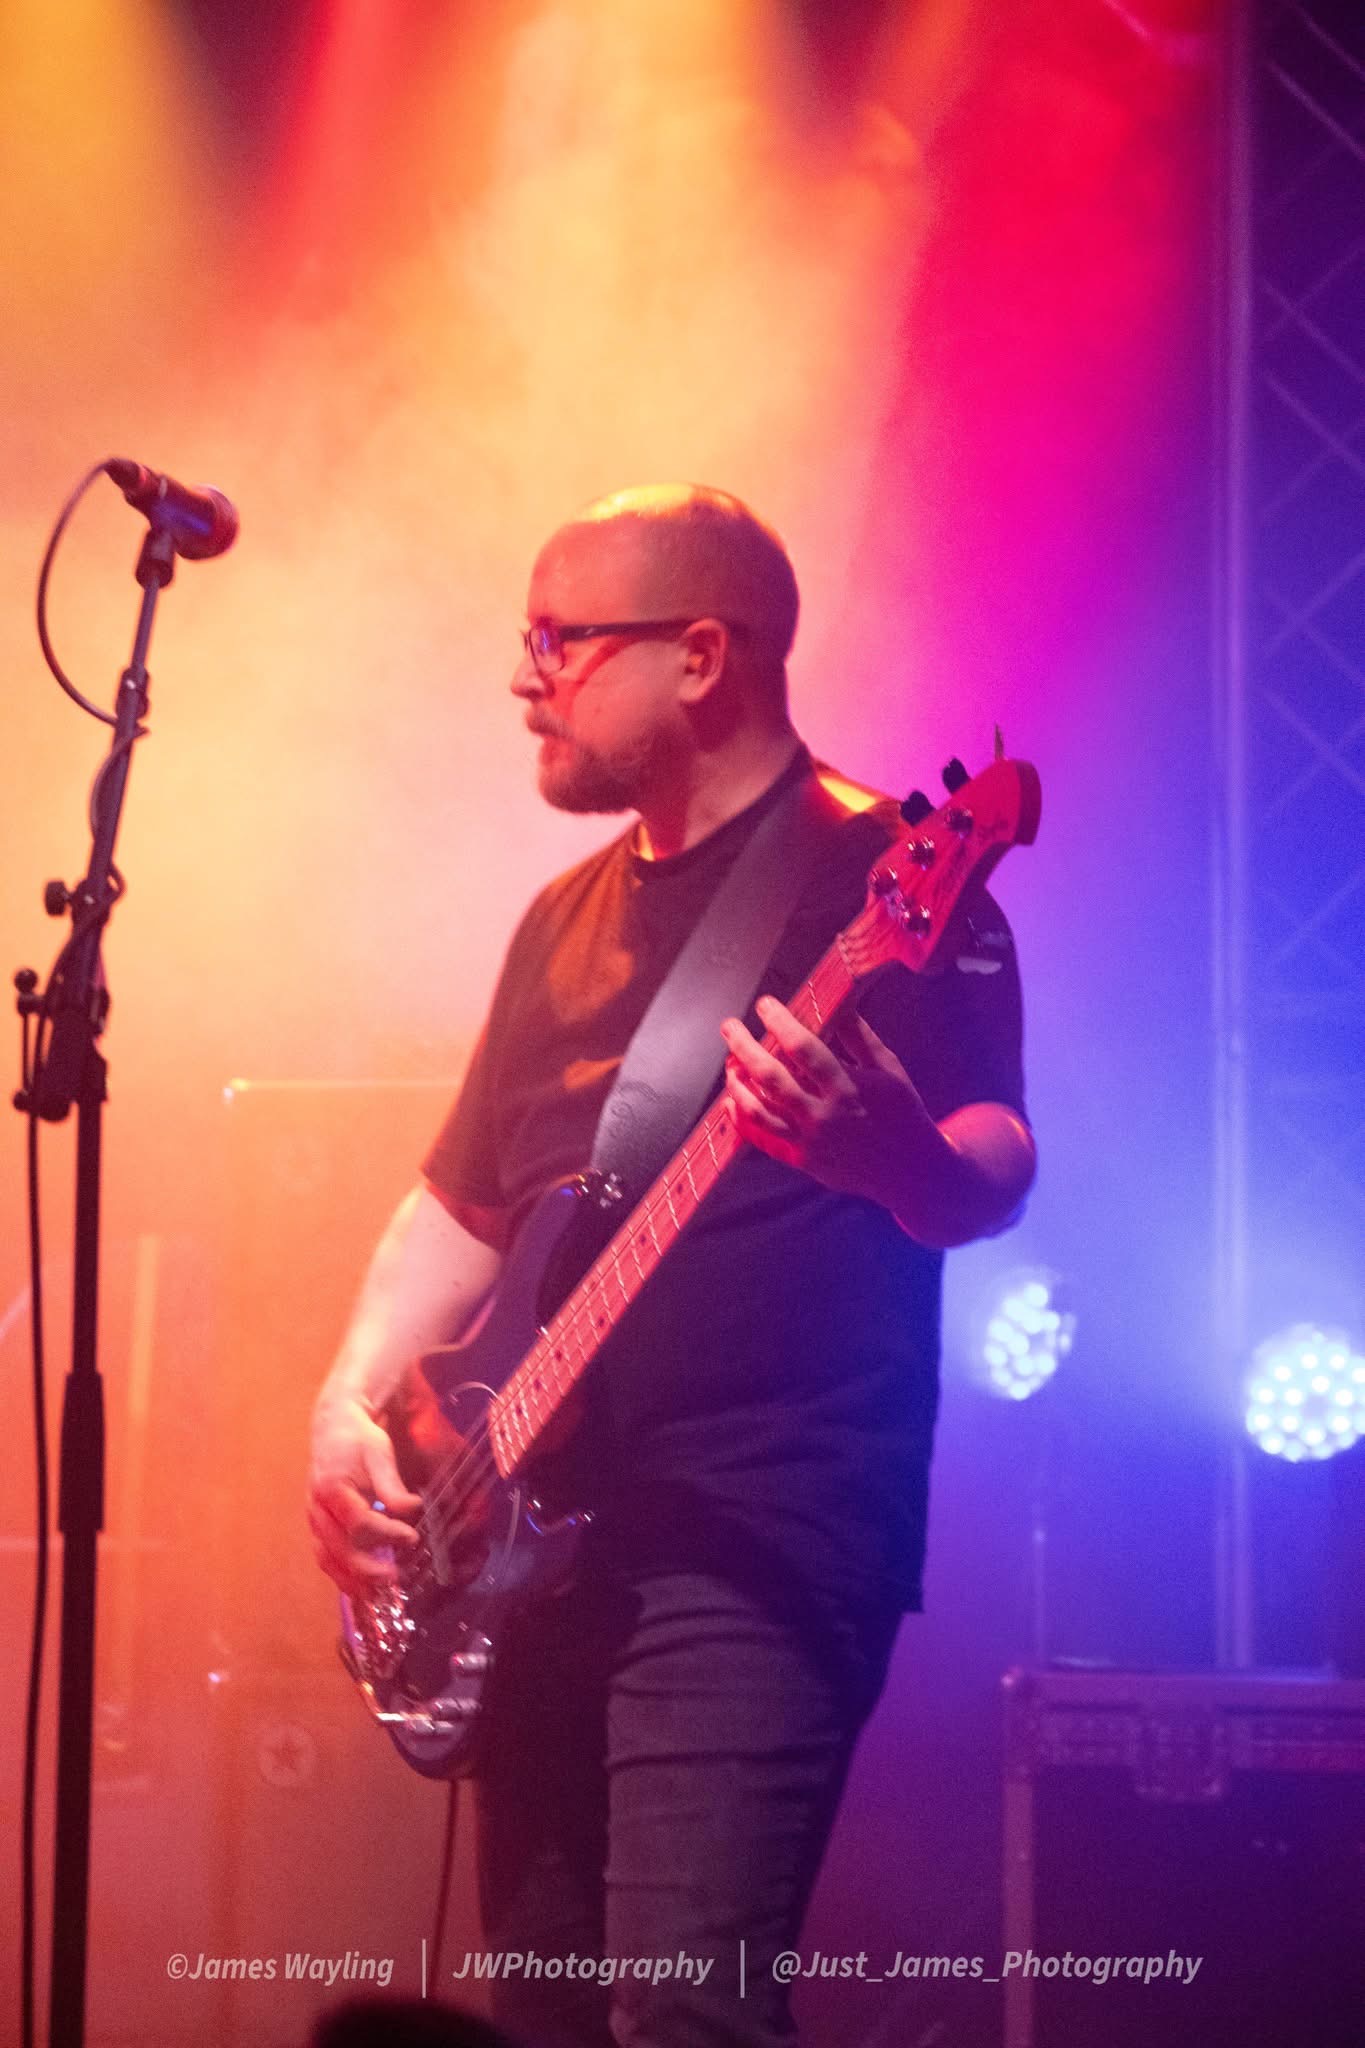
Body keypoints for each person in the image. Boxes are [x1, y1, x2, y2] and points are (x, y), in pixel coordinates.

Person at [307, 484, 1035, 2048]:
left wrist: (882, 1156)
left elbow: (995, 1169)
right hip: (528, 1550)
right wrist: (345, 1403)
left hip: (753, 1541)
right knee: (550, 2017)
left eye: (557, 641)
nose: (523, 679)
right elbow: (460, 1205)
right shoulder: (556, 923)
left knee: (685, 2019)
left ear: (700, 656)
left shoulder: (883, 876)